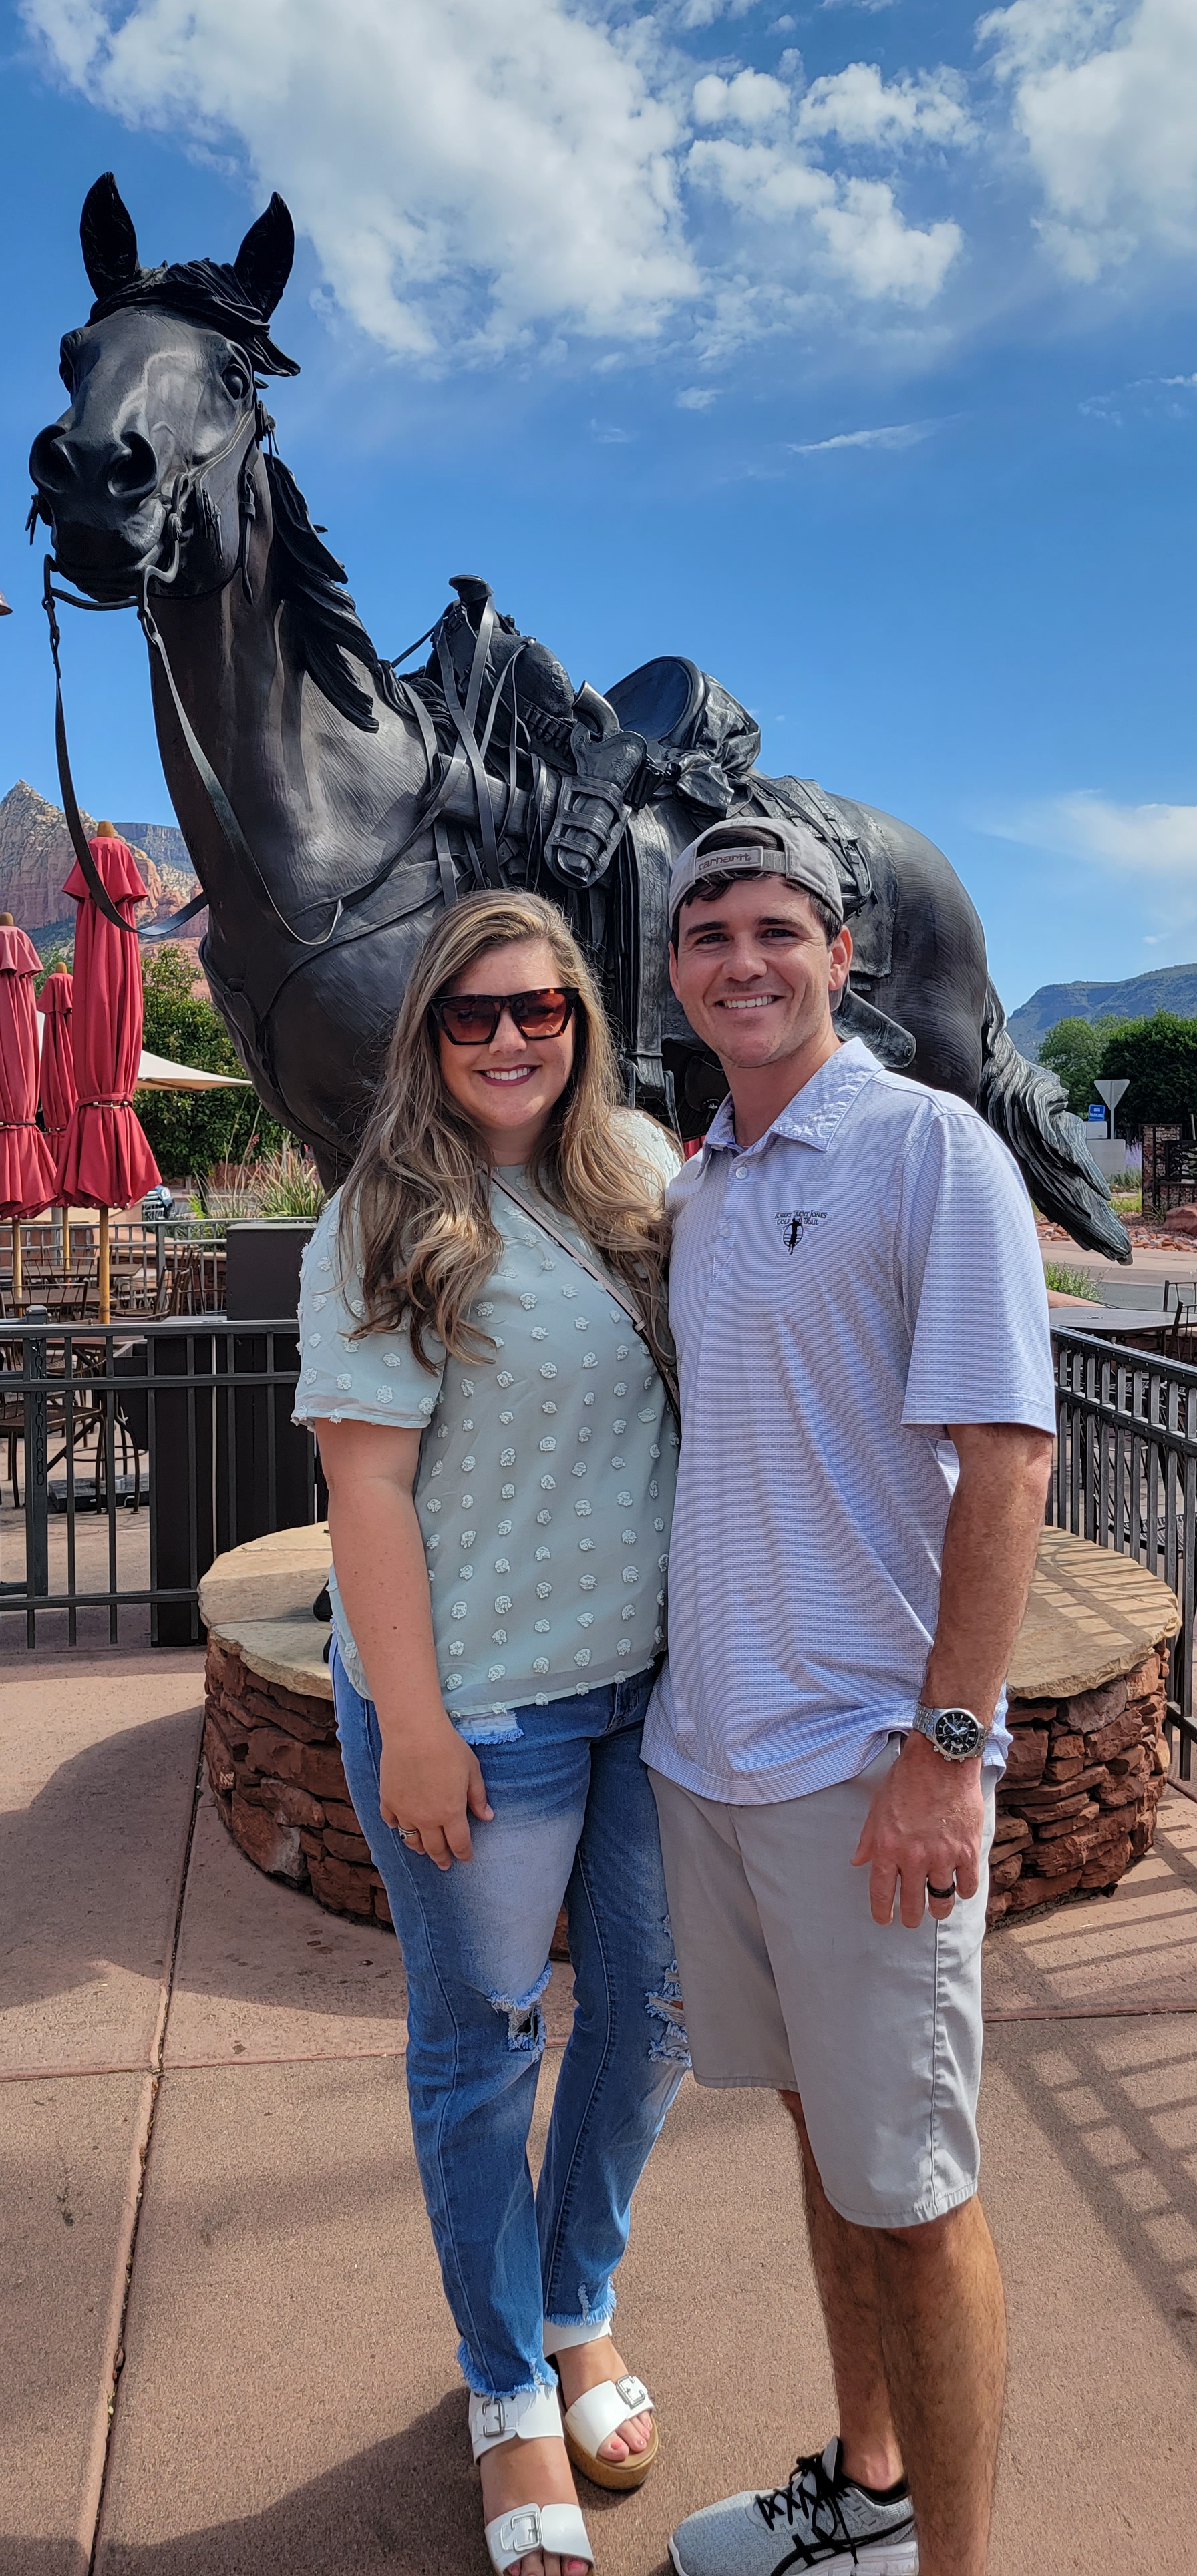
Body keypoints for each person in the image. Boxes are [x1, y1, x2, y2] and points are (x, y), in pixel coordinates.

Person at [641, 820, 1057, 2576]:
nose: (741, 959)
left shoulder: (925, 1147)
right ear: (675, 969)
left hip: (867, 1769)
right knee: (829, 2148)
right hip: (713, 1762)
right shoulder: (701, 1186)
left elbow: (1009, 1461)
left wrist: (948, 1755)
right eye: (708, 931)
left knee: (918, 2196)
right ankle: (869, 2489)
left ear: (844, 950)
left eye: (776, 927)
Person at [293, 891, 687, 2576]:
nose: (510, 1037)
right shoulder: (381, 1214)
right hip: (482, 1707)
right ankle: (508, 2380)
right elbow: (365, 1485)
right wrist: (415, 1724)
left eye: (538, 1008)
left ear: (580, 1018)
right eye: (472, 1014)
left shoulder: (639, 1179)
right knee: (482, 2051)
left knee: (653, 2016)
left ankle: (575, 2298)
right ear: (429, 1035)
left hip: (648, 1694)